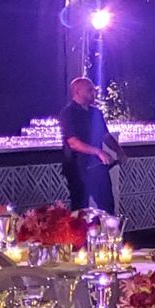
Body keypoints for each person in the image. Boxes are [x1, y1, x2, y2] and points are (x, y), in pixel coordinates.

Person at [59, 76, 117, 214]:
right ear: (77, 92)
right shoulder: (68, 113)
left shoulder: (95, 112)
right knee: (80, 209)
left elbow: (106, 136)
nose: (94, 93)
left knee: (107, 206)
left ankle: (107, 234)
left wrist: (119, 151)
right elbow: (73, 143)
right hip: (78, 168)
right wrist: (98, 152)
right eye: (89, 90)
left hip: (98, 168)